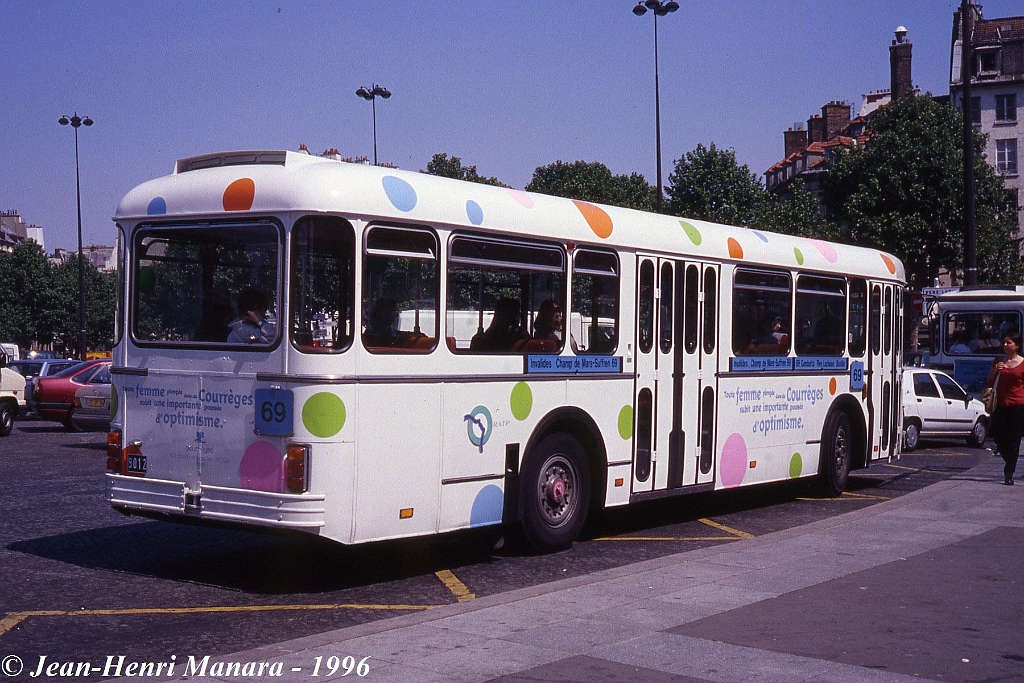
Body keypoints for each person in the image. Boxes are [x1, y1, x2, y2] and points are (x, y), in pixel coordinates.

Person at [986, 329, 1024, 485]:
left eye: (1009, 342)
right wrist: (996, 370)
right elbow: (989, 382)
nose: (1005, 345)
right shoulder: (998, 361)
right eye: (1004, 342)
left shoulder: (1022, 363)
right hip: (1000, 404)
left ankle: (1009, 472)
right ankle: (1009, 460)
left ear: (1017, 345)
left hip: (1018, 405)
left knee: (1014, 439)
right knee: (997, 435)